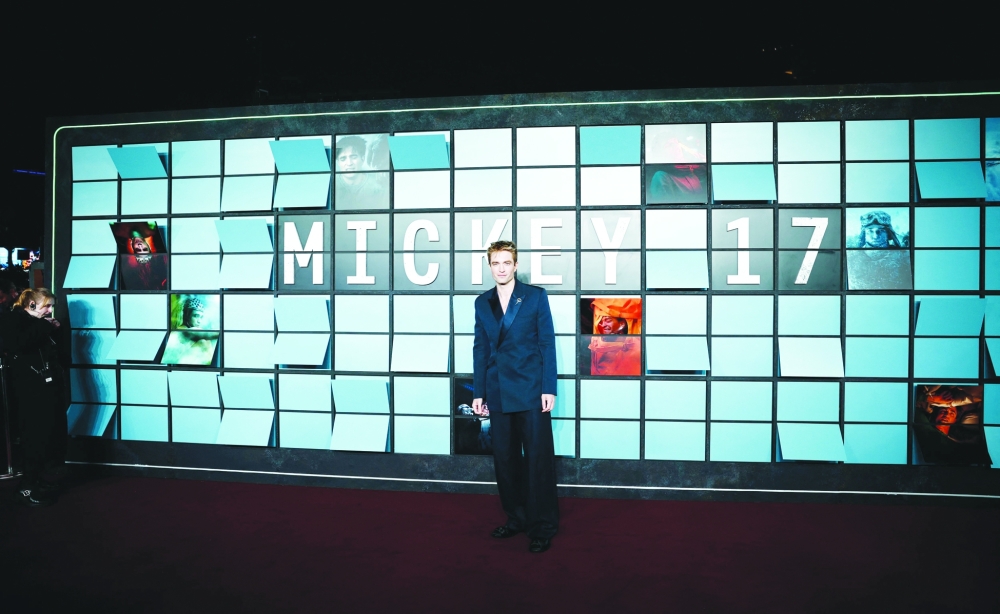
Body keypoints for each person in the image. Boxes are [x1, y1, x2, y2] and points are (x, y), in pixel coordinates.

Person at [472, 240, 559, 553]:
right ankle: (516, 518)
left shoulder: (535, 296)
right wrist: (479, 392)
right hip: (497, 392)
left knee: (537, 461)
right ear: (490, 266)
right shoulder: (482, 303)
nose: (501, 268)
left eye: (507, 262)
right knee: (505, 462)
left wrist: (549, 387)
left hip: (532, 390)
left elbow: (547, 343)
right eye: (496, 263)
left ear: (516, 264)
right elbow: (480, 348)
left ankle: (543, 525)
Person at [0, 288, 68, 506]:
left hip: (46, 386)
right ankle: (28, 486)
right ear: (30, 305)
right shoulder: (13, 320)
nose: (49, 310)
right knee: (34, 436)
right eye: (46, 305)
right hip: (29, 389)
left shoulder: (40, 324)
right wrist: (46, 326)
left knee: (46, 434)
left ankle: (37, 480)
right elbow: (18, 343)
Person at [334, 135, 389, 209]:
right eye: (343, 159)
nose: (349, 163)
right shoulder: (331, 187)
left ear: (362, 159)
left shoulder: (378, 187)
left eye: (353, 157)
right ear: (338, 162)